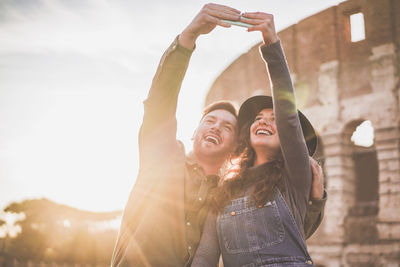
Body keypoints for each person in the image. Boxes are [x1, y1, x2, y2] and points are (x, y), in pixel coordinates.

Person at [112, 4, 326, 267]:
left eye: (226, 127)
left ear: (235, 146)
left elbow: (294, 229)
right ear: (194, 133)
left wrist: (316, 201)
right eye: (209, 121)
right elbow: (159, 106)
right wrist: (187, 40)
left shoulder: (241, 190)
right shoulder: (168, 164)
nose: (214, 127)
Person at [192, 11, 322, 267]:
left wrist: (271, 45)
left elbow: (289, 117)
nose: (264, 121)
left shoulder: (294, 178)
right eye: (259, 118)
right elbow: (205, 256)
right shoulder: (222, 191)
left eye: (273, 119)